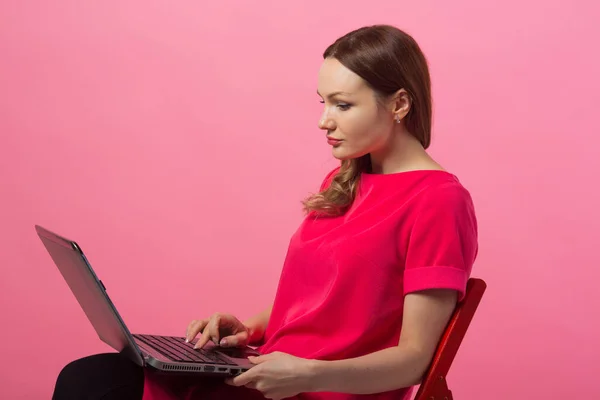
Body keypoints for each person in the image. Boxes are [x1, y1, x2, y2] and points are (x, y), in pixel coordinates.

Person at [53, 24, 478, 400]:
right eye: (322, 102)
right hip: (268, 375)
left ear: (400, 104)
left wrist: (308, 374)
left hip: (316, 390)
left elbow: (415, 360)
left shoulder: (439, 200)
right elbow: (322, 305)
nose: (323, 121)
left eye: (342, 105)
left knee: (93, 387)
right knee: (87, 378)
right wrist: (248, 328)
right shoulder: (343, 181)